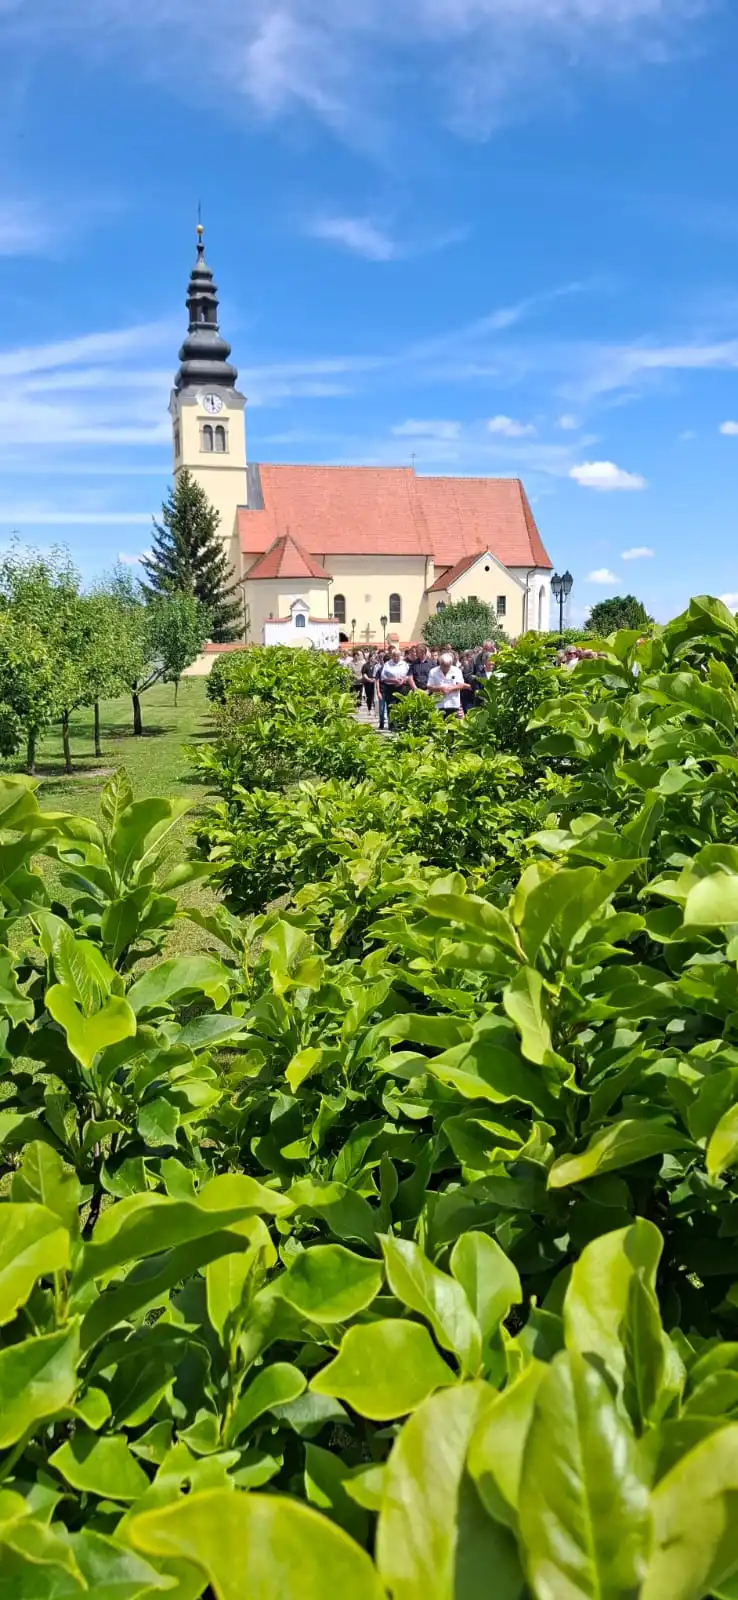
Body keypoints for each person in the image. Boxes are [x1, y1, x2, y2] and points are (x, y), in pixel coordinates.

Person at [427, 650, 466, 717]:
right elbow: (429, 686)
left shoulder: (457, 671)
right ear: (440, 663)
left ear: (451, 663)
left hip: (453, 704)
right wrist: (440, 688)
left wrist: (450, 688)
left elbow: (461, 685)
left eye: (447, 666)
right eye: (444, 666)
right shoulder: (433, 671)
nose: (446, 668)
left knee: (453, 723)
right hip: (438, 704)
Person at [380, 646, 411, 727]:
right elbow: (383, 677)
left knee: (403, 705)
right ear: (392, 656)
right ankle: (392, 725)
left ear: (400, 656)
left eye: (398, 656)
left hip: (402, 687)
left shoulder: (404, 664)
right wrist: (394, 680)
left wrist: (403, 680)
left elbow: (409, 675)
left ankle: (403, 725)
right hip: (391, 688)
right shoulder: (387, 664)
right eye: (394, 656)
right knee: (391, 706)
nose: (396, 658)